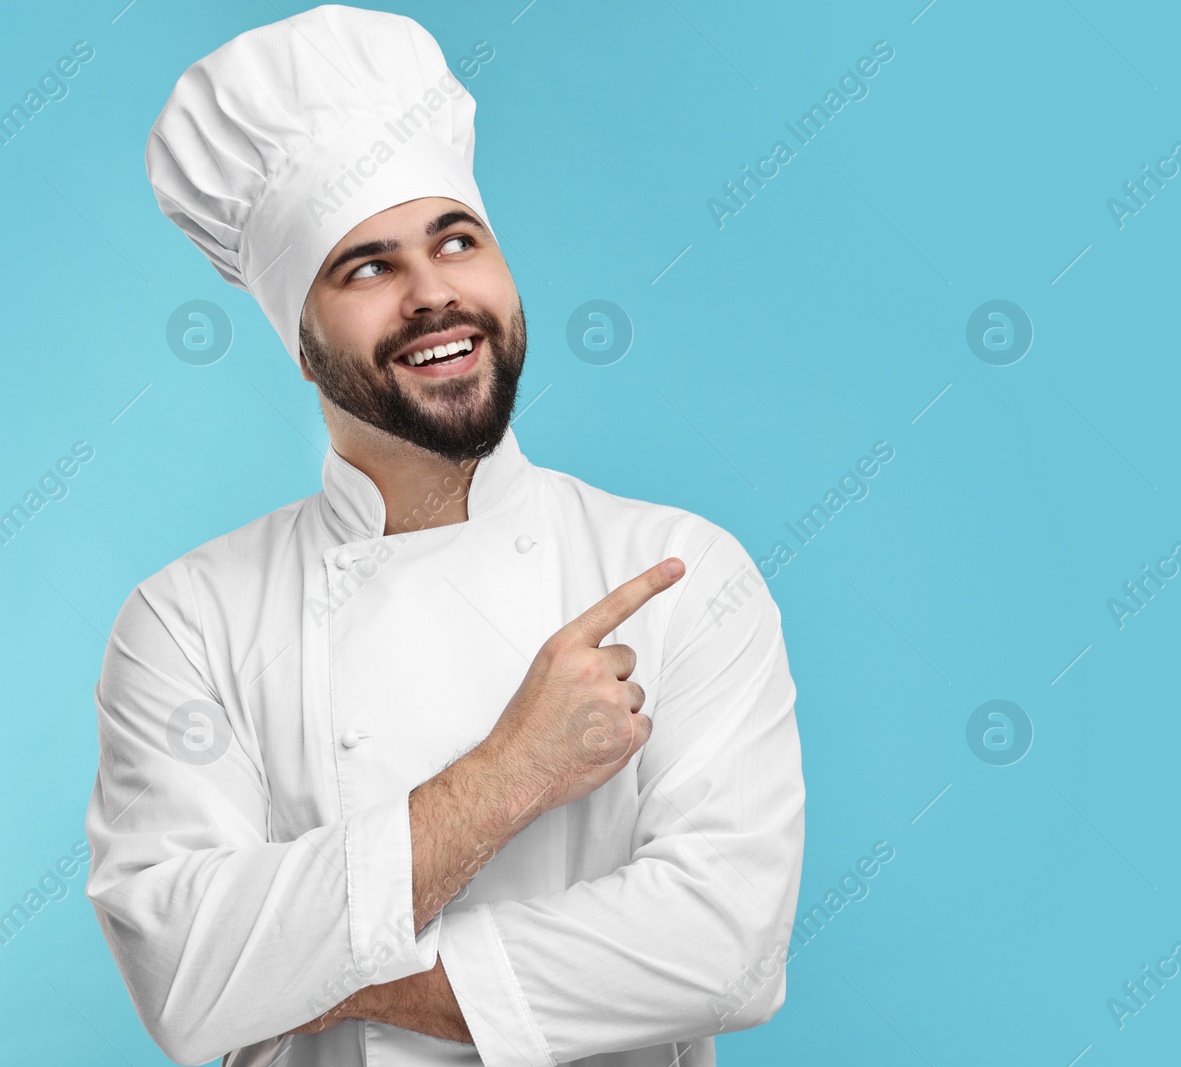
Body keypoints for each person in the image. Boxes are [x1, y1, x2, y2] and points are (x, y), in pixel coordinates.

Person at [83, 7, 804, 1066]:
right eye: (365, 267)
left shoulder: (678, 572)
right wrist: (511, 771)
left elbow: (724, 947)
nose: (433, 296)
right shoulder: (187, 618)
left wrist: (313, 976)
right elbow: (186, 973)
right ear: (300, 338)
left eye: (456, 240)